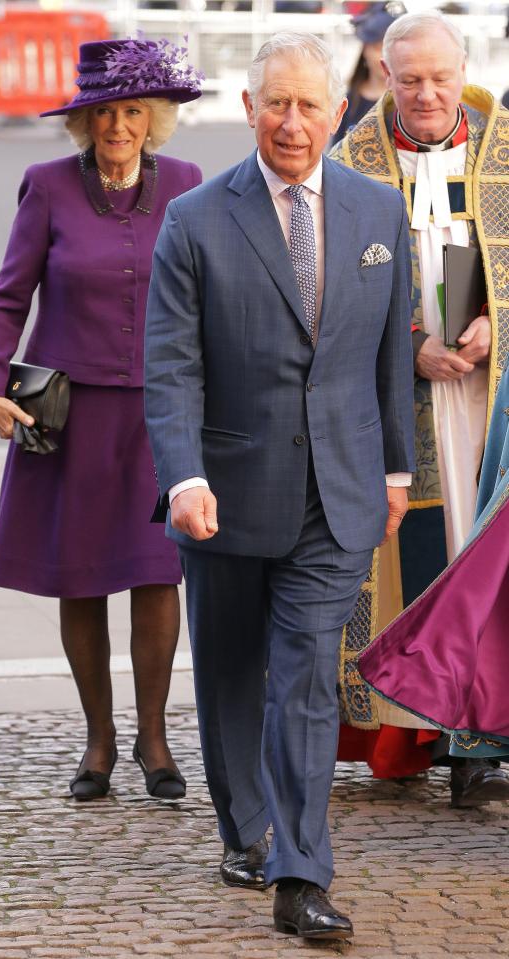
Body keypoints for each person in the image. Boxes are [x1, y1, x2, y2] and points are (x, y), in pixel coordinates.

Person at [144, 30, 414, 941]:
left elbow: (386, 359)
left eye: (310, 105)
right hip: (221, 495)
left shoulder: (379, 214)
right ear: (249, 109)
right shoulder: (195, 219)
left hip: (334, 495)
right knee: (229, 675)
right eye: (276, 105)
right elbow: (170, 366)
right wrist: (182, 474)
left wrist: (395, 467)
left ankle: (299, 873)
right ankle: (243, 826)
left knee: (302, 680)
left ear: (340, 111)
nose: (292, 123)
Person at [0, 36, 202, 802]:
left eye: (133, 111)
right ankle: (98, 741)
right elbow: (9, 296)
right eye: (104, 113)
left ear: (154, 118)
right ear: (85, 121)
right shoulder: (46, 186)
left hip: (160, 410)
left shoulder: (187, 183)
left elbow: (209, 297)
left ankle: (155, 738)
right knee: (81, 576)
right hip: (62, 411)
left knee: (154, 569)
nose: (118, 127)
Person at [329, 8, 509, 805]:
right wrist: (410, 349)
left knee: (488, 557)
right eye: (410, 81)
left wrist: (492, 318)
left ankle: (485, 733)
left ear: (464, 69)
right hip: (400, 401)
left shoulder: (503, 150)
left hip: (494, 394)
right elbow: (325, 290)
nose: (427, 94)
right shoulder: (352, 163)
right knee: (425, 546)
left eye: (440, 78)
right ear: (384, 77)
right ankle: (421, 726)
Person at [359, 355, 509, 803]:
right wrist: (413, 341)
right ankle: (470, 746)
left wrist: (491, 322)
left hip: (487, 373)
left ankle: (475, 751)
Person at [330, 0, 405, 148]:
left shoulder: (409, 100)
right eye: (378, 48)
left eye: (390, 48)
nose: (385, 56)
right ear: (365, 49)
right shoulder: (347, 102)